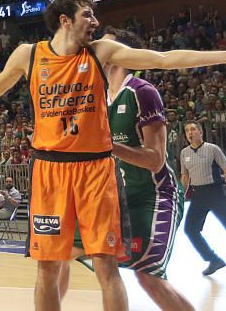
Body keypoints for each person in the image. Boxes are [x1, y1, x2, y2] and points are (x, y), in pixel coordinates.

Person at [0, 0, 226, 311]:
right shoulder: (28, 55)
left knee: (107, 266)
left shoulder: (101, 52)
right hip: (51, 172)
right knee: (48, 267)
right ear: (65, 20)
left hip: (96, 171)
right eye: (87, 15)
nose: (95, 22)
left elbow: (163, 58)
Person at [62, 29, 194, 310]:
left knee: (149, 277)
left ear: (123, 53)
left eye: (105, 41)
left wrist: (108, 145)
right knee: (60, 252)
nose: (96, 46)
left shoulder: (142, 92)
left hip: (154, 194)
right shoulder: (95, 95)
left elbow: (155, 159)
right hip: (115, 197)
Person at [180, 120, 226, 276]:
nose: (190, 133)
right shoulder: (184, 153)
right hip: (198, 195)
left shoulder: (212, 149)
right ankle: (213, 259)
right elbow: (185, 176)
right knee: (190, 229)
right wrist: (181, 194)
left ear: (201, 132)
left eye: (193, 129)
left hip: (216, 193)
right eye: (187, 131)